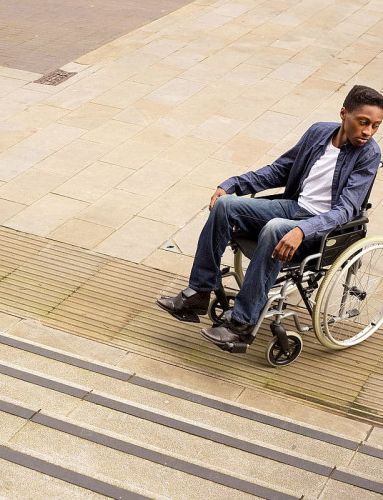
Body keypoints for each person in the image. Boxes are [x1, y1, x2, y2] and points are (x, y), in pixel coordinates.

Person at [157, 85, 383, 350]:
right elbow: (279, 171)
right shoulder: (318, 132)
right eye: (363, 122)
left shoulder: (369, 155)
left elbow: (345, 210)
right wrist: (233, 184)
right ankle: (198, 292)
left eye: (376, 126)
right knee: (225, 205)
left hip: (321, 230)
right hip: (294, 207)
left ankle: (241, 324)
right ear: (344, 114)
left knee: (276, 228)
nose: (368, 132)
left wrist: (302, 230)